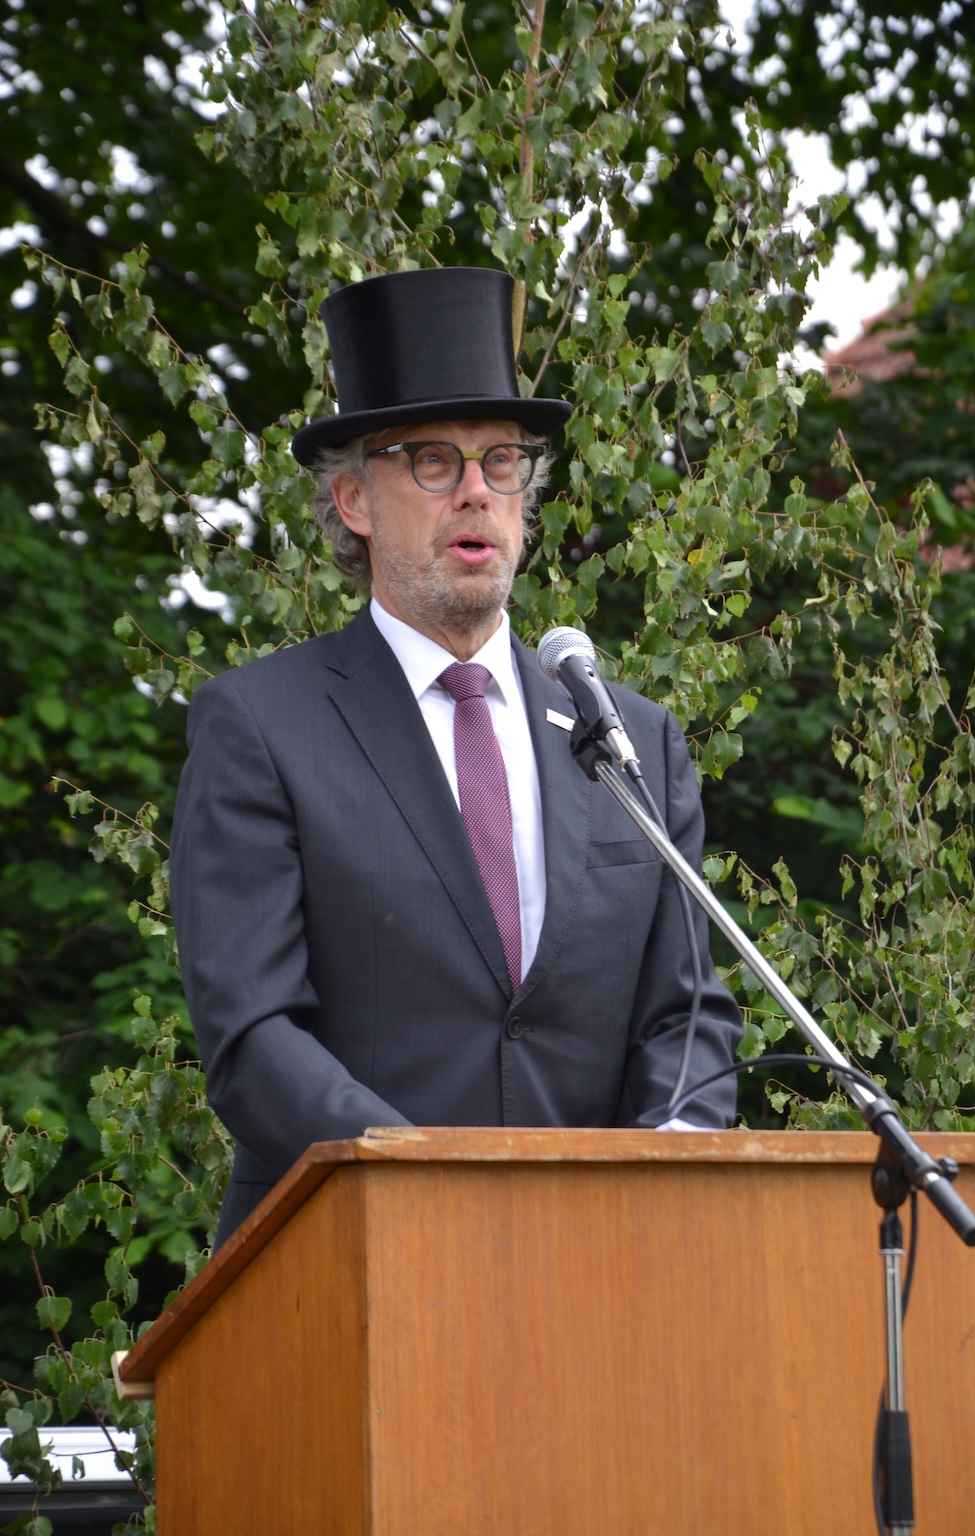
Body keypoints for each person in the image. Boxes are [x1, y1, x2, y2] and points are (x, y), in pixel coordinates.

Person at [170, 267, 742, 1245]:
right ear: (353, 498)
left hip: (603, 1262)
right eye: (433, 461)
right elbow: (255, 1037)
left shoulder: (630, 740)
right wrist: (427, 1184)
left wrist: (667, 1172)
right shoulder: (260, 726)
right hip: (352, 1261)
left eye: (501, 460)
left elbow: (685, 1015)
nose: (477, 490)